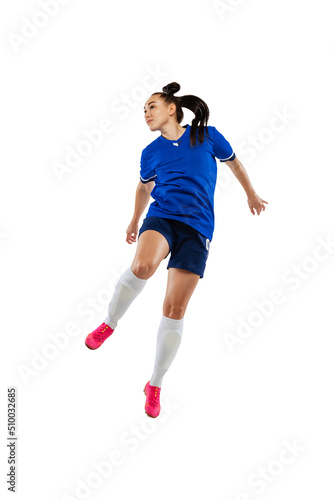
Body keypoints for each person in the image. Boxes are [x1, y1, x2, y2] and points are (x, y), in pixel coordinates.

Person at [85, 82, 268, 418]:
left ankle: (154, 383)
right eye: (143, 110)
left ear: (171, 108)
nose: (146, 113)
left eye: (151, 106)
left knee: (175, 307)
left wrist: (251, 194)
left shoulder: (207, 136)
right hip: (162, 217)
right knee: (142, 267)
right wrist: (133, 220)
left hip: (198, 229)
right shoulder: (150, 152)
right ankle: (110, 323)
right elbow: (144, 187)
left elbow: (236, 164)